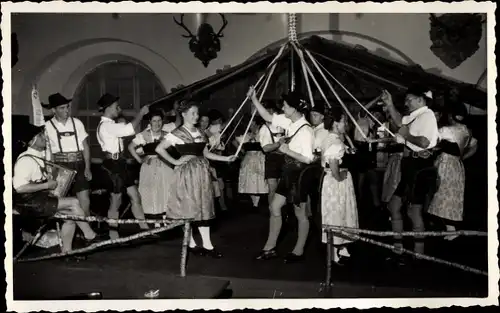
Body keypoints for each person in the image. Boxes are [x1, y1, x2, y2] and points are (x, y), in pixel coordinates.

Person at [155, 100, 236, 258]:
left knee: (203, 207)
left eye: (197, 113)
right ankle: (191, 243)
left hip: (201, 174)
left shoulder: (201, 132)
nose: (196, 116)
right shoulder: (176, 134)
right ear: (183, 114)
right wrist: (175, 161)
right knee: (188, 208)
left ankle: (207, 245)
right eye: (192, 113)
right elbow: (159, 149)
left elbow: (206, 154)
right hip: (186, 174)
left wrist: (226, 159)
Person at [13, 124, 102, 260]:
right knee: (74, 202)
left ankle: (67, 253)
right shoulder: (25, 160)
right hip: (30, 204)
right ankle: (90, 236)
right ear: (32, 141)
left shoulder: (38, 156)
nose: (45, 138)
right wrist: (46, 185)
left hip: (39, 200)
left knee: (71, 217)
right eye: (41, 135)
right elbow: (19, 188)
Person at [248, 86, 315, 263]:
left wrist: (288, 151)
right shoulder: (290, 122)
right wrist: (254, 99)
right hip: (288, 172)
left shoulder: (306, 130)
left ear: (294, 108)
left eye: (285, 106)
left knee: (300, 214)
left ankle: (298, 251)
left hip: (299, 174)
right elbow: (269, 117)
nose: (283, 109)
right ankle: (269, 248)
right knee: (274, 207)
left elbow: (308, 159)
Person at [381, 85, 439, 262]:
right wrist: (390, 104)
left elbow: (423, 142)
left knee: (414, 211)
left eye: (409, 99)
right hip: (410, 165)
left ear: (421, 100)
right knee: (394, 206)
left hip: (419, 167)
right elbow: (400, 122)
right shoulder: (417, 115)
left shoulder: (427, 116)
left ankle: (418, 254)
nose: (406, 103)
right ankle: (398, 248)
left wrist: (406, 137)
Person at [96, 93, 151, 239]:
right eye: (116, 107)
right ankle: (113, 236)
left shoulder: (111, 125)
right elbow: (129, 129)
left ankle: (145, 230)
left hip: (120, 163)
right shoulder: (106, 126)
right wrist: (141, 113)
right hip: (112, 166)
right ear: (107, 108)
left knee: (135, 196)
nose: (118, 109)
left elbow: (125, 128)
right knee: (116, 201)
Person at [428, 102, 477, 240]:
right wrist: (462, 157)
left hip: (446, 164)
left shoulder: (447, 130)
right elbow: (474, 146)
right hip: (457, 164)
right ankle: (450, 229)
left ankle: (450, 230)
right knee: (451, 196)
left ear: (451, 115)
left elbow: (430, 141)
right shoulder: (467, 130)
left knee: (441, 193)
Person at [43, 93, 92, 216]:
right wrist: (49, 172)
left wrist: (87, 167)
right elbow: (46, 152)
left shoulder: (77, 123)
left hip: (79, 163)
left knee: (84, 199)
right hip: (61, 166)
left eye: (67, 107)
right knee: (58, 199)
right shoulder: (47, 126)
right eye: (62, 108)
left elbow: (85, 146)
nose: (66, 110)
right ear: (54, 110)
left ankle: (83, 230)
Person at [320, 107, 358, 266]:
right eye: (344, 121)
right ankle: (335, 252)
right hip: (337, 183)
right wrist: (340, 176)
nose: (346, 124)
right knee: (338, 213)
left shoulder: (331, 137)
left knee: (339, 213)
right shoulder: (335, 142)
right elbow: (334, 164)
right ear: (336, 123)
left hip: (330, 183)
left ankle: (340, 246)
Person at [128, 110, 174, 221]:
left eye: (159, 121)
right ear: (150, 122)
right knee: (152, 191)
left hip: (165, 165)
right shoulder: (144, 134)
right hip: (149, 166)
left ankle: (165, 217)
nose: (157, 123)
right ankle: (154, 219)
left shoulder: (167, 135)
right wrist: (139, 160)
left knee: (166, 189)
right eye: (154, 121)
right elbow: (130, 147)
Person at [235, 117, 268, 210]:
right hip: (248, 159)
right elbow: (236, 141)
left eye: (254, 124)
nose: (252, 126)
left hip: (260, 159)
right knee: (249, 181)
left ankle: (258, 202)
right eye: (250, 125)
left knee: (259, 181)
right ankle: (254, 203)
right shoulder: (246, 136)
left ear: (258, 125)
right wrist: (241, 151)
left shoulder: (261, 135)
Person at [258, 101, 285, 210]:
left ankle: (281, 211)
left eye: (272, 113)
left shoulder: (281, 127)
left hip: (284, 159)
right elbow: (265, 148)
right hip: (272, 160)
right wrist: (279, 143)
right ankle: (272, 212)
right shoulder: (264, 129)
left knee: (282, 189)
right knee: (273, 189)